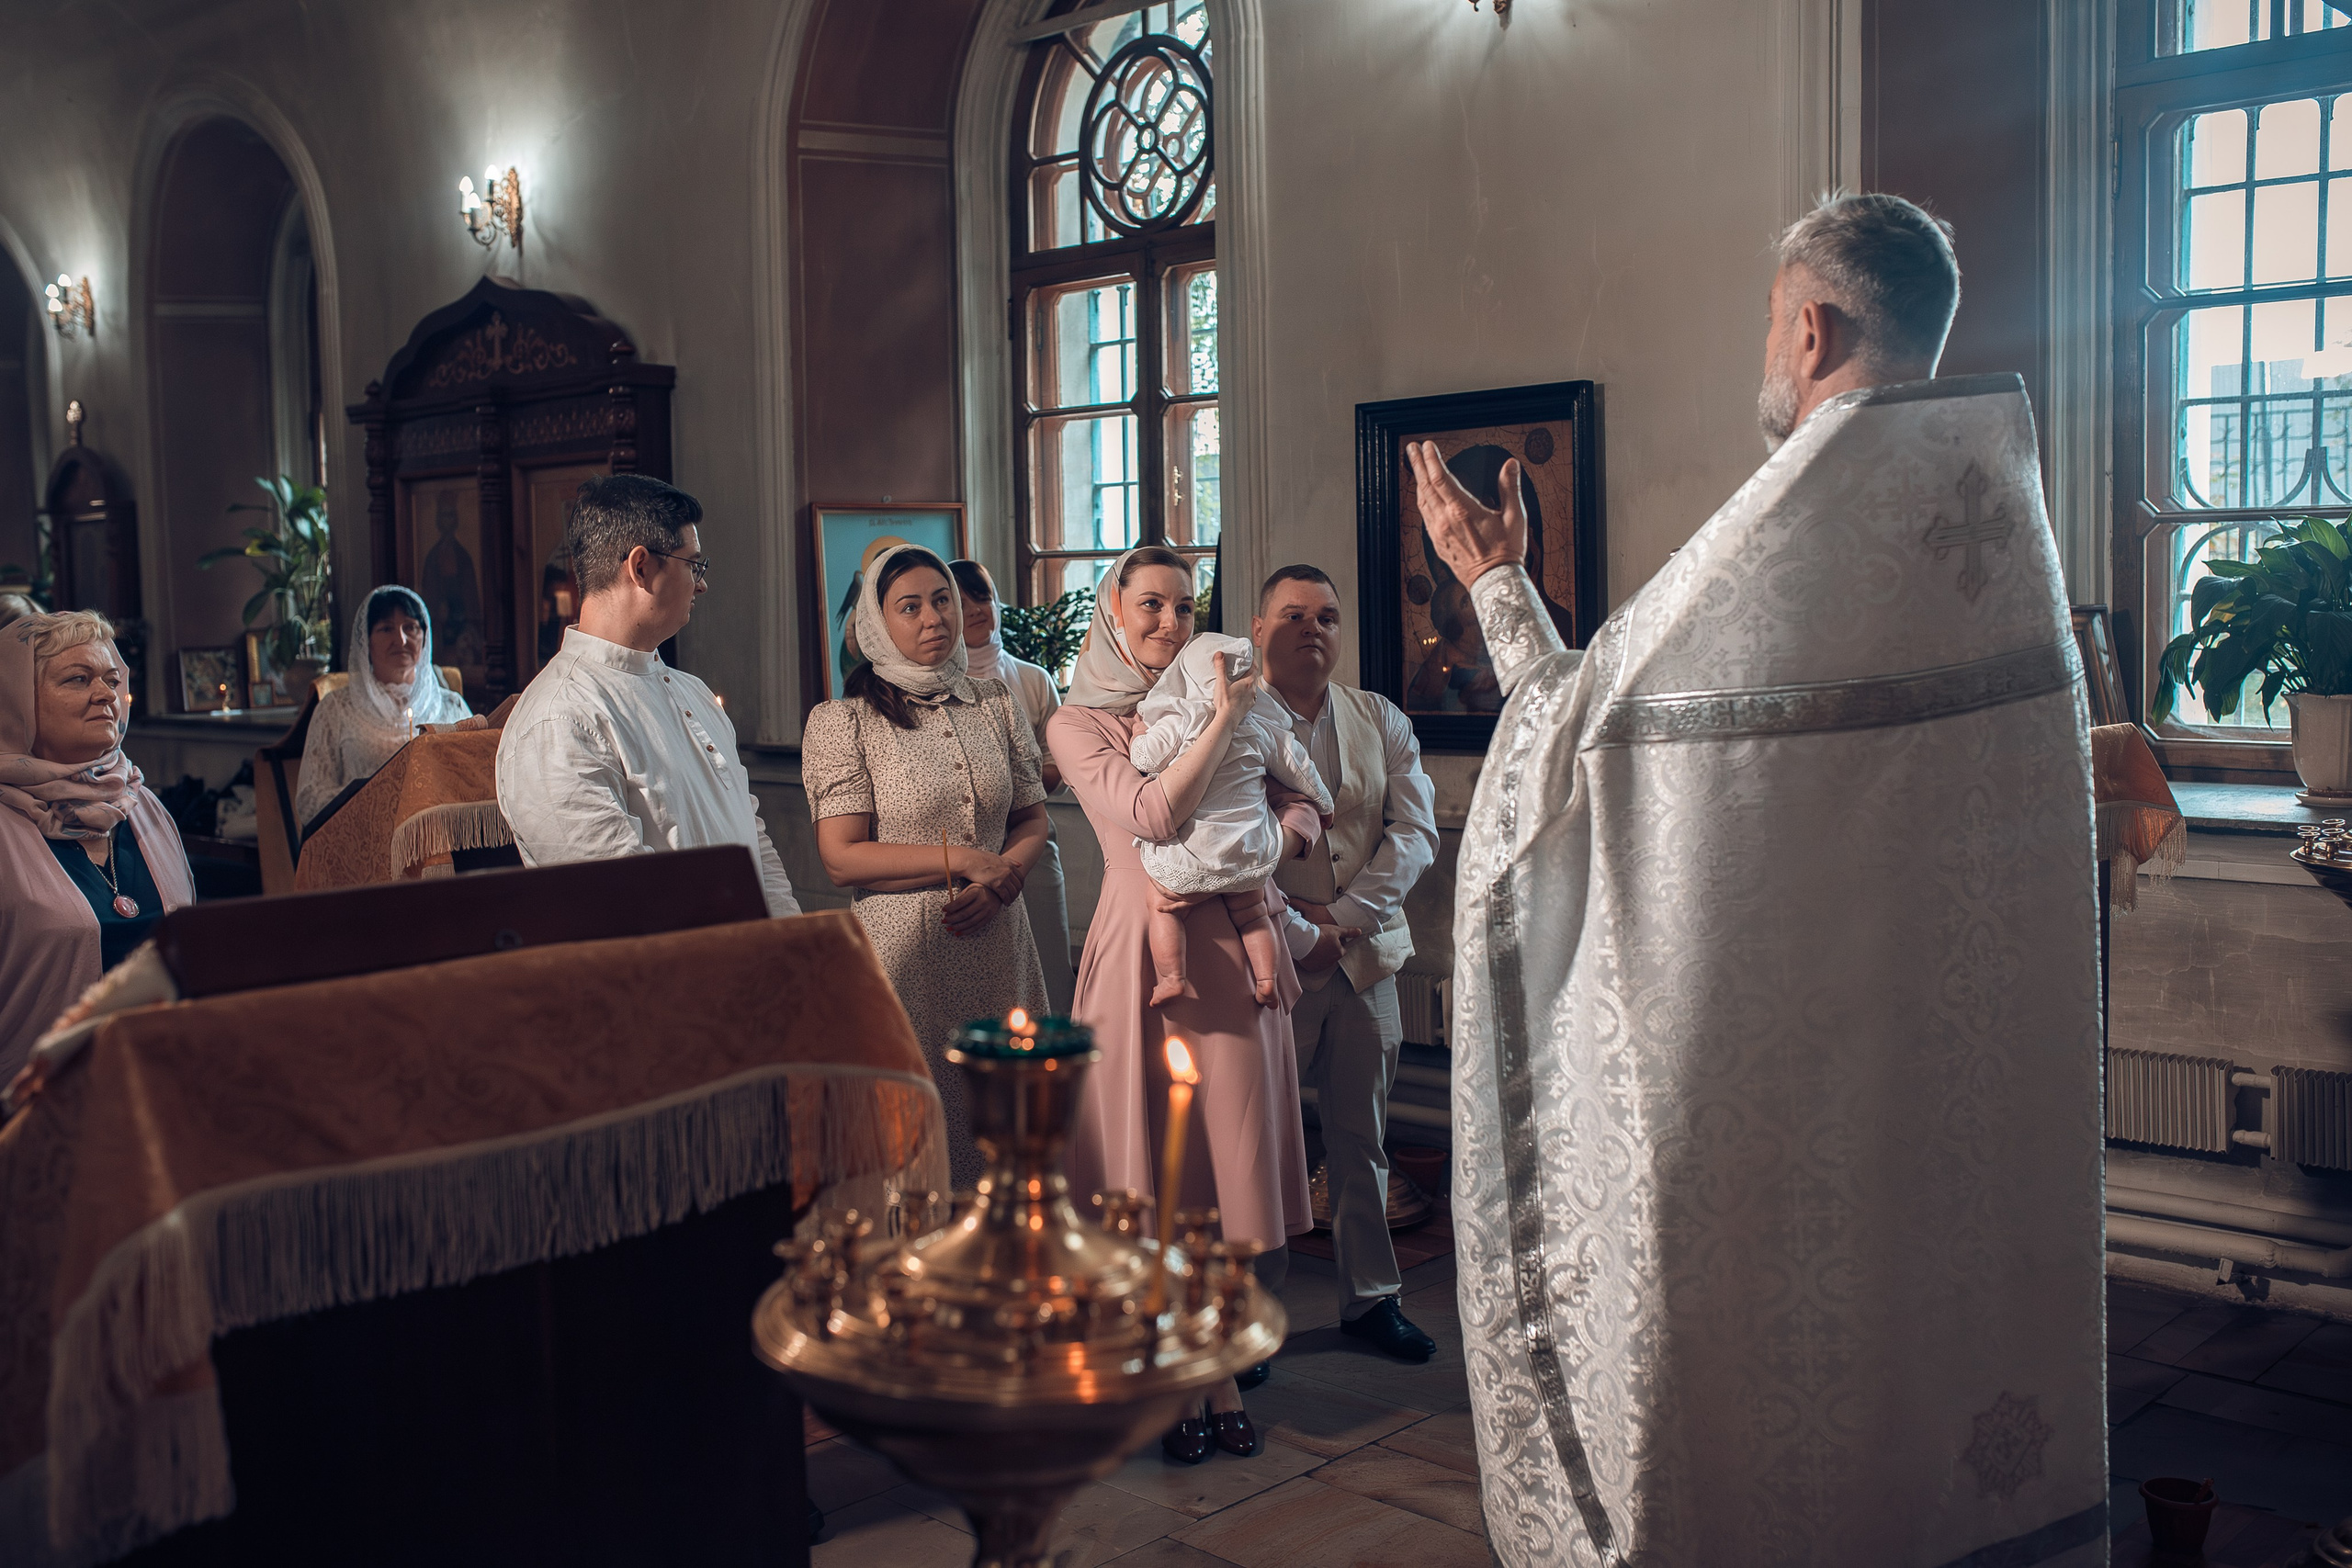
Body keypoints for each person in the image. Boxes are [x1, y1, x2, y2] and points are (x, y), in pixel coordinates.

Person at [1419, 193, 2103, 1566]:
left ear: (1811, 327)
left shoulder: (1786, 534)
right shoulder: (1993, 521)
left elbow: (1565, 749)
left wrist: (1495, 584)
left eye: (1769, 320)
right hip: (1952, 1089)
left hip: (1774, 1096)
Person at [1047, 546, 1319, 1465]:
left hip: (1235, 957)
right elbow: (1153, 816)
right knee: (1157, 1174)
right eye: (1151, 606)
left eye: (1184, 607)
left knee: (1225, 1166)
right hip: (1142, 955)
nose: (1170, 623)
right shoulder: (1077, 723)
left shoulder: (1230, 690)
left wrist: (1275, 840)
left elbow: (1304, 799)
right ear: (1113, 611)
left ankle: (1215, 1361)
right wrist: (1226, 717)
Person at [802, 545, 1051, 1188]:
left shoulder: (995, 702)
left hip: (999, 943)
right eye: (909, 607)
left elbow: (1033, 822)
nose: (934, 617)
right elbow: (841, 858)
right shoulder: (844, 721)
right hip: (904, 955)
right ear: (876, 623)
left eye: (941, 600)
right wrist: (967, 862)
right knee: (911, 1139)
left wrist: (1002, 882)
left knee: (1006, 1133)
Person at [1251, 564, 1442, 1364]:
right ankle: (1253, 1319)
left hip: (1365, 960)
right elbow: (1221, 847)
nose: (1312, 628)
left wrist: (1347, 916)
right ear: (1259, 629)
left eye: (1327, 616)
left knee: (1363, 1137)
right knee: (1261, 1143)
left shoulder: (1380, 717)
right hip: (1268, 961)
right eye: (1293, 614)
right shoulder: (1231, 720)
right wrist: (1301, 927)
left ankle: (1371, 1300)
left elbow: (1415, 832)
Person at [498, 474, 800, 919]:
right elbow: (622, 903)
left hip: (754, 953)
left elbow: (752, 842)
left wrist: (792, 941)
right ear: (641, 568)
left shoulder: (693, 692)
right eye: (692, 564)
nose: (701, 585)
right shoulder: (559, 719)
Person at [0, 611, 196, 1083]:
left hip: (165, 1083)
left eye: (111, 679)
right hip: (38, 1099)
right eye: (78, 678)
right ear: (16, 700)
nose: (107, 694)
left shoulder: (140, 803)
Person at [1128, 632, 1330, 1008]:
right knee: (1254, 915)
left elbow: (1145, 759)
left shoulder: (1182, 718)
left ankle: (1172, 978)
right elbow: (1299, 768)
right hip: (1246, 851)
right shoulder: (1260, 727)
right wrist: (1325, 802)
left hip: (1192, 854)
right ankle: (1266, 980)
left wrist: (1140, 732)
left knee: (1161, 906)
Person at [950, 558, 1076, 1013]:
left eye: (982, 596)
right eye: (960, 601)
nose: (975, 609)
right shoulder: (937, 685)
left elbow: (1058, 768)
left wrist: (1006, 784)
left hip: (1031, 841)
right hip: (960, 850)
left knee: (1049, 970)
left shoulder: (1033, 679)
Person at [295, 584, 473, 827]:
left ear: (425, 636)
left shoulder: (452, 705)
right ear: (366, 641)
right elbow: (309, 799)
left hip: (442, 835)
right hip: (363, 837)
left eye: (410, 627)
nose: (401, 639)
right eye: (386, 629)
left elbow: (475, 778)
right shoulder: (335, 709)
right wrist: (378, 798)